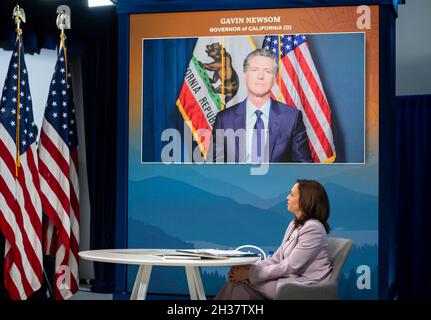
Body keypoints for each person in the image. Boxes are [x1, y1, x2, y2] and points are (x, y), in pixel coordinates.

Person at [214, 179, 332, 300]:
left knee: (242, 281)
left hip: (305, 283)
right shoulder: (294, 224)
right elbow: (277, 258)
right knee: (237, 284)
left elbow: (291, 266)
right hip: (289, 278)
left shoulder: (313, 228)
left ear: (305, 200)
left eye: (291, 194)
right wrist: (249, 269)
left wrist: (249, 274)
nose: (287, 197)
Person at [208, 48, 312, 163]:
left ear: (274, 78)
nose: (260, 76)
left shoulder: (292, 118)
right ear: (245, 76)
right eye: (254, 70)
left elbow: (304, 167)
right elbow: (213, 167)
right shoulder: (224, 119)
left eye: (267, 71)